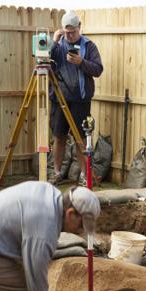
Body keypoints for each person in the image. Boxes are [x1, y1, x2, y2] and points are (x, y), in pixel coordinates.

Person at [48, 11, 102, 177]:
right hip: (59, 99)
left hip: (81, 100)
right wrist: (54, 41)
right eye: (67, 32)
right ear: (62, 30)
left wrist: (81, 63)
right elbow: (41, 59)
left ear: (80, 27)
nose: (70, 35)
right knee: (59, 137)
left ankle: (84, 176)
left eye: (73, 32)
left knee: (80, 139)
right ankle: (56, 173)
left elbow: (98, 69)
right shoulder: (57, 46)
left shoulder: (89, 46)